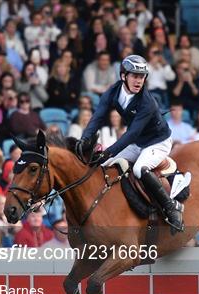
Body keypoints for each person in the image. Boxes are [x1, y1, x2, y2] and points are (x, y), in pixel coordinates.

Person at [76, 55, 184, 232]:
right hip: (139, 142)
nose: (138, 80)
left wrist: (108, 151)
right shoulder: (113, 92)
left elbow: (131, 134)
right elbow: (98, 116)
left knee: (138, 169)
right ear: (123, 76)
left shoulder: (147, 102)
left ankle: (172, 207)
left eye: (141, 77)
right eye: (134, 75)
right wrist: (85, 137)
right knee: (102, 165)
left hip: (157, 142)